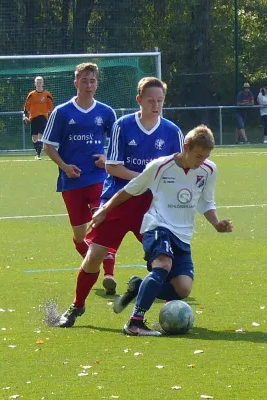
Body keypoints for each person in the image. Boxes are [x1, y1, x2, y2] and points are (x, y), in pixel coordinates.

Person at [55, 76, 184, 327]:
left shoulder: (172, 132)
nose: (156, 105)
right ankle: (77, 306)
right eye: (150, 100)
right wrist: (146, 177)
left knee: (170, 268)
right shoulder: (123, 125)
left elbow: (179, 172)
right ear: (139, 100)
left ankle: (159, 303)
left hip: (152, 208)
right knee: (94, 256)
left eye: (160, 100)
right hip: (119, 201)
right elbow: (113, 167)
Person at [92, 125, 233, 336]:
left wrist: (216, 224)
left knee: (182, 289)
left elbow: (206, 202)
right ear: (186, 147)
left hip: (183, 235)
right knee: (163, 265)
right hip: (157, 226)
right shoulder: (160, 166)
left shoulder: (209, 169)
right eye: (197, 156)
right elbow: (130, 189)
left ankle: (140, 287)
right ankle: (135, 322)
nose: (201, 161)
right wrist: (104, 209)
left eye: (205, 156)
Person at [41, 63, 117, 284]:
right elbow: (48, 145)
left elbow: (118, 142)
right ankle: (91, 264)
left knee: (102, 223)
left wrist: (107, 159)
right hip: (71, 181)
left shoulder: (106, 112)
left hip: (98, 178)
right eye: (84, 81)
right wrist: (65, 167)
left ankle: (109, 273)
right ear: (76, 83)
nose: (89, 85)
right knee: (80, 235)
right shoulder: (62, 112)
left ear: (97, 84)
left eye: (92, 81)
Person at [23, 76, 54, 160]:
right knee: (34, 138)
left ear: (43, 83)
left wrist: (52, 116)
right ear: (35, 83)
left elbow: (51, 107)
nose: (39, 83)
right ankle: (37, 151)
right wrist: (25, 116)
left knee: (41, 135)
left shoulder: (47, 94)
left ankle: (38, 154)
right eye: (38, 82)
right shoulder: (32, 94)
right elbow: (26, 106)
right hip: (33, 118)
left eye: (40, 82)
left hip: (43, 117)